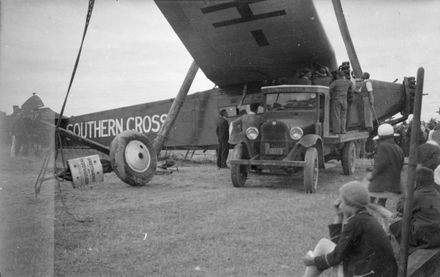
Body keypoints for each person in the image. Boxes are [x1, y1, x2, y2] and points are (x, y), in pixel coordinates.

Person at [302, 181, 397, 277]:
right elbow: (339, 247)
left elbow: (336, 257)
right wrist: (339, 215)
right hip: (373, 272)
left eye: (342, 202)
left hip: (367, 273)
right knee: (324, 245)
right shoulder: (365, 219)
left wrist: (312, 260)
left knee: (324, 248)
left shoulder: (356, 223)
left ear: (351, 204)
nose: (340, 206)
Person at [390, 165, 440, 250]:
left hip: (425, 237)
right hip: (437, 234)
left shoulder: (416, 195)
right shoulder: (437, 193)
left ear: (416, 182)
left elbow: (399, 207)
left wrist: (407, 191)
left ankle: (408, 251)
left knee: (394, 224)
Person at [367, 123, 404, 207]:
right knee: (381, 203)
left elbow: (380, 165)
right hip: (393, 183)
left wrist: (372, 175)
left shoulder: (383, 147)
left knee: (369, 202)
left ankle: (369, 217)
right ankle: (383, 219)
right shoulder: (399, 149)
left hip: (380, 183)